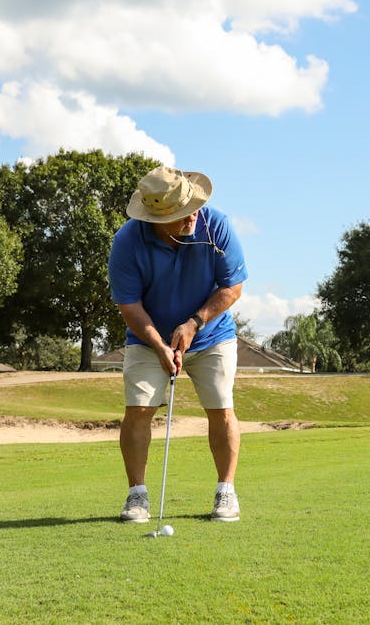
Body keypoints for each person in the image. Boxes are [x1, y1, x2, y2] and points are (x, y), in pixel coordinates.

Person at [107, 165, 248, 523]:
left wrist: (194, 324)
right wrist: (159, 346)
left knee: (221, 407)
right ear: (156, 219)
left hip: (211, 335)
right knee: (139, 408)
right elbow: (130, 307)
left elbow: (232, 288)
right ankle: (137, 496)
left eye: (192, 207)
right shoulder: (127, 242)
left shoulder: (216, 226)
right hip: (148, 338)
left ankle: (226, 491)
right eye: (181, 213)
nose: (192, 216)